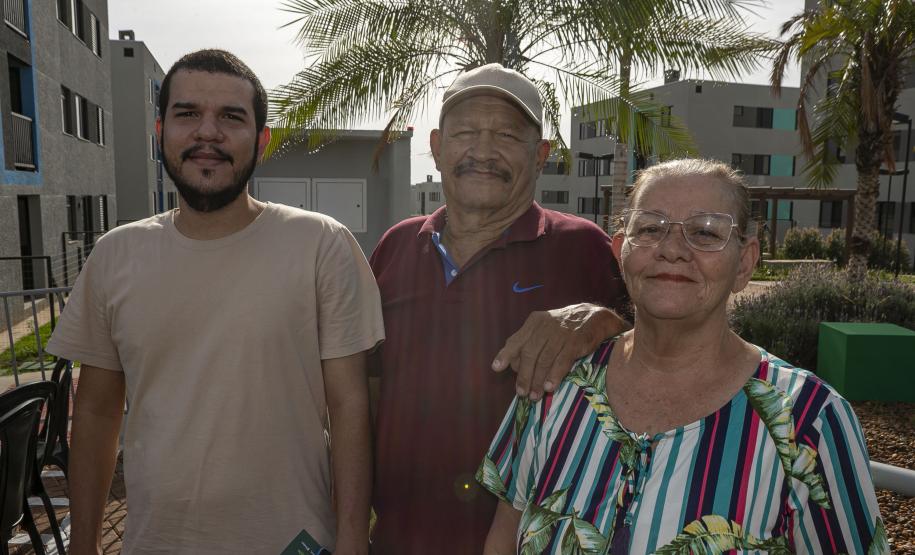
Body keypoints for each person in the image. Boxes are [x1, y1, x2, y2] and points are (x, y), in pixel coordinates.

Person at [47, 50, 383, 555]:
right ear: (160, 130)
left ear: (262, 139)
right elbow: (95, 411)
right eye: (188, 114)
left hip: (295, 542)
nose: (208, 133)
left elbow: (350, 406)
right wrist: (84, 546)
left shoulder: (321, 245)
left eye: (231, 117)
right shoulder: (116, 255)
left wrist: (353, 541)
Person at [479, 158, 886, 554]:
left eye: (706, 233)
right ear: (621, 253)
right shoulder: (554, 382)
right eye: (651, 228)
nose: (672, 249)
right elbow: (502, 541)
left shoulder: (811, 421)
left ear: (744, 263)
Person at [369, 63, 630, 553]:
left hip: (527, 542)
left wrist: (599, 320)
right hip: (396, 538)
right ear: (438, 146)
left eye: (508, 135)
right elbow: (365, 388)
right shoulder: (396, 246)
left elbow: (653, 354)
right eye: (465, 132)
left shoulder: (582, 247)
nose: (483, 151)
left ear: (541, 156)